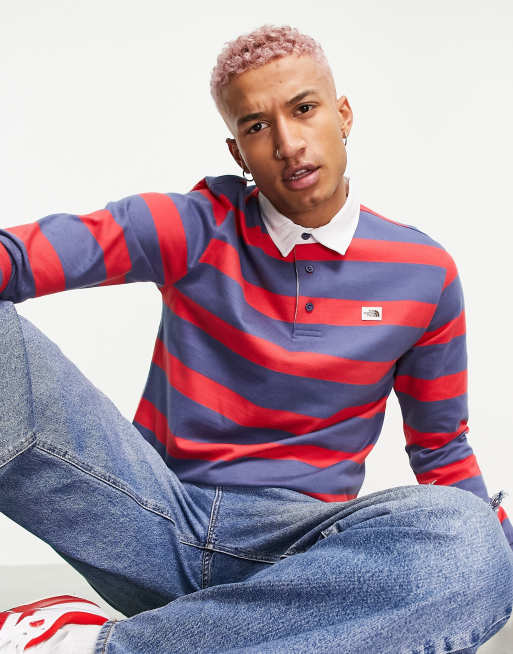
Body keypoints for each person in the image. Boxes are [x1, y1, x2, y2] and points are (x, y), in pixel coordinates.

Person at [0, 23, 512, 654]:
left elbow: (441, 448)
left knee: (471, 539)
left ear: (343, 115)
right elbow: (18, 258)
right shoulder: (191, 226)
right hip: (152, 521)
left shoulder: (424, 273)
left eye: (304, 109)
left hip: (302, 555)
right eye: (258, 125)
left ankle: (100, 646)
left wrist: (491, 564)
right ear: (238, 151)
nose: (289, 144)